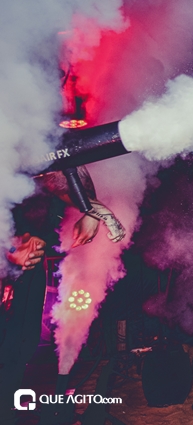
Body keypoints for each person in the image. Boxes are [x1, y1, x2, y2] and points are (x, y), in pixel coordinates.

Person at [1, 166, 124, 424]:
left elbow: (64, 173)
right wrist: (7, 250)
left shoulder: (32, 165)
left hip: (24, 275)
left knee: (19, 346)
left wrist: (92, 211)